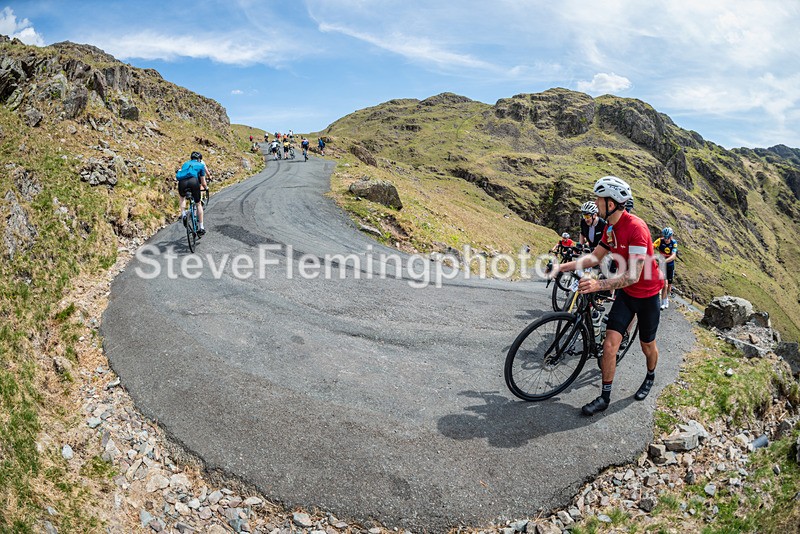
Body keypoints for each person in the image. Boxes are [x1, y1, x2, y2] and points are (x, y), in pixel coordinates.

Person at [553, 176, 663, 416]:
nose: (595, 202)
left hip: (647, 296)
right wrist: (561, 268)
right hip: (627, 294)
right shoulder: (611, 229)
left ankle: (650, 375)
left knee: (647, 345)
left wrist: (597, 284)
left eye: (598, 198)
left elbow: (633, 276)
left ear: (611, 203)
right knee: (609, 346)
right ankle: (604, 396)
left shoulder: (637, 229)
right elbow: (594, 258)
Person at [176, 151, 208, 236]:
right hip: (193, 182)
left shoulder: (185, 164)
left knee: (182, 198)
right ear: (199, 159)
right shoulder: (201, 165)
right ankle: (201, 227)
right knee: (198, 204)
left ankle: (183, 214)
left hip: (182, 183)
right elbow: (203, 182)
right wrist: (206, 188)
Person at [654, 227, 678, 310]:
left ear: (671, 236)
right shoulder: (660, 240)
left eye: (668, 238)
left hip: (670, 265)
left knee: (669, 285)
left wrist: (665, 260)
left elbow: (673, 256)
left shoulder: (674, 243)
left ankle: (666, 299)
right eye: (665, 237)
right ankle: (663, 302)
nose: (666, 239)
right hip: (662, 265)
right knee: (665, 284)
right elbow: (651, 247)